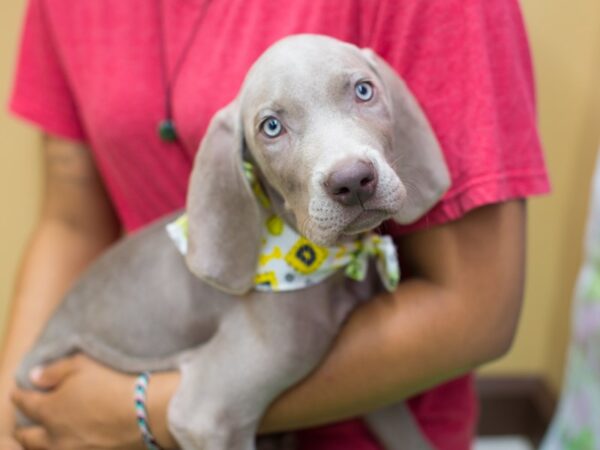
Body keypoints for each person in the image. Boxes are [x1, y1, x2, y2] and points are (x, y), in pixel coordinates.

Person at [0, 0, 550, 449]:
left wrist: (134, 412)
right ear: (242, 172)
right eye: (271, 128)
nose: (349, 172)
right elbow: (71, 222)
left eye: (362, 92)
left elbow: (482, 309)